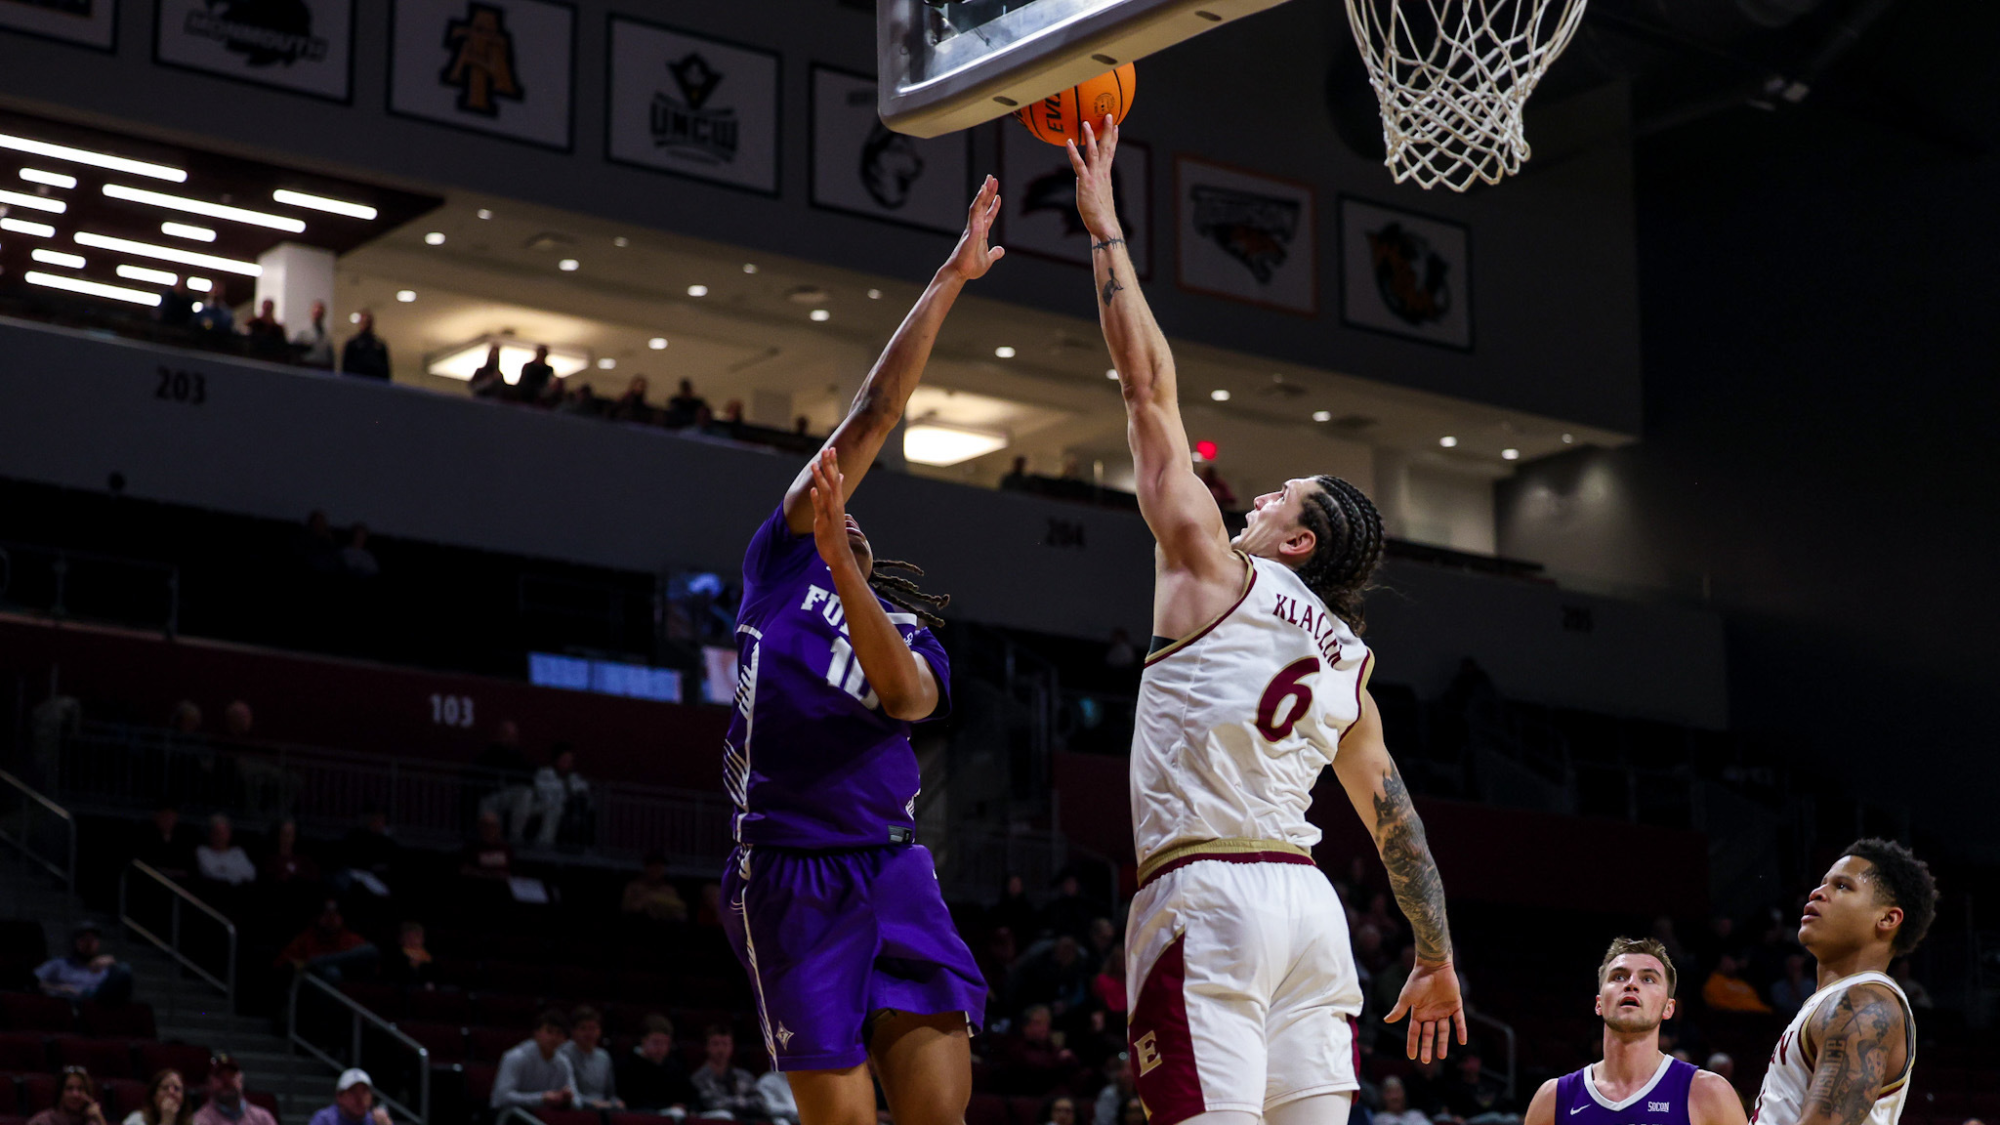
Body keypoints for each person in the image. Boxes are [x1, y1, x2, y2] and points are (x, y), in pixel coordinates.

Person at [1068, 115, 1465, 1125]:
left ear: (1298, 542)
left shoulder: (1212, 569)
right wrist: (1434, 953)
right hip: (1309, 912)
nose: (1254, 499)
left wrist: (1104, 229)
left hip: (1208, 899)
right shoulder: (1351, 665)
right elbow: (1397, 823)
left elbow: (1145, 390)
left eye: (1278, 498)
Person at [717, 177, 1004, 1125]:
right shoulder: (777, 567)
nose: (847, 518)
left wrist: (848, 570)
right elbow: (877, 409)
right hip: (786, 869)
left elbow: (907, 700)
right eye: (837, 522)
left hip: (892, 867)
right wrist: (951, 277)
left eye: (855, 533)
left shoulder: (911, 633)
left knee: (937, 1115)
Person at [1749, 839, 1936, 1125]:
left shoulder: (1865, 1003)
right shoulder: (1836, 1001)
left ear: (1887, 918)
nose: (1817, 893)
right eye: (1822, 883)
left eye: (1842, 886)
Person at [1522, 938, 1744, 1125]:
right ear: (1599, 1003)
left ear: (1668, 1008)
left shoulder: (1709, 1093)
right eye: (1619, 976)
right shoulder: (1553, 1098)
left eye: (1648, 979)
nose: (1631, 984)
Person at [492, 1011, 580, 1111]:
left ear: (564, 1038)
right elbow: (501, 1098)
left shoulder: (563, 1062)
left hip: (543, 1115)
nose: (554, 1038)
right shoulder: (516, 1057)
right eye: (549, 1031)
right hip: (511, 1114)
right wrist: (541, 1098)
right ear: (536, 1033)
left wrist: (568, 1099)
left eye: (559, 1033)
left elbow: (577, 1101)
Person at [276, 900, 379, 983]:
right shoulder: (306, 939)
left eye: (334, 914)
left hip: (350, 980)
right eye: (327, 914)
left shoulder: (350, 938)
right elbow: (283, 961)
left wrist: (318, 961)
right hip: (322, 985)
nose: (331, 919)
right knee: (332, 972)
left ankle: (318, 961)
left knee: (370, 949)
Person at [36, 924, 134, 1006]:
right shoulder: (59, 964)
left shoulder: (104, 968)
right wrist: (60, 989)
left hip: (97, 1006)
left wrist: (113, 964)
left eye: (93, 940)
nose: (89, 944)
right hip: (67, 1004)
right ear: (75, 942)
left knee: (124, 969)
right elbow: (34, 982)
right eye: (84, 939)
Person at [619, 1014, 699, 1113]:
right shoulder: (628, 1065)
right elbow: (632, 1101)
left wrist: (689, 1108)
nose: (661, 1048)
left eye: (666, 1043)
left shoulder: (674, 1066)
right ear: (643, 1040)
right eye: (656, 1042)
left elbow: (690, 1096)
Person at [522, 742, 590, 846]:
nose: (567, 764)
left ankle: (546, 843)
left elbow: (583, 788)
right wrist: (564, 787)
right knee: (553, 808)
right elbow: (541, 791)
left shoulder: (574, 778)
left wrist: (571, 789)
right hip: (539, 806)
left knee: (557, 809)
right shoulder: (545, 773)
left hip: (560, 809)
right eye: (564, 760)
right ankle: (543, 844)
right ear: (556, 760)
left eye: (570, 761)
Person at [691, 1025, 763, 1119]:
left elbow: (760, 1103)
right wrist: (742, 1102)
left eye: (725, 1044)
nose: (721, 1049)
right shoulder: (699, 1078)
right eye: (715, 1044)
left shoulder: (744, 1076)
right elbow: (712, 1104)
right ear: (707, 1047)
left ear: (732, 1047)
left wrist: (733, 1103)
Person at [559, 1006, 623, 1109]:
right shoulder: (564, 1054)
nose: (589, 1033)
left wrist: (616, 1102)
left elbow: (610, 1093)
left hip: (603, 1109)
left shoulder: (604, 1057)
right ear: (573, 1031)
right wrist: (592, 1103)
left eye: (593, 1028)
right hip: (575, 1109)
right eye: (583, 1028)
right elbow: (565, 1092)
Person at [191, 1055, 278, 1125]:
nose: (226, 1081)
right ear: (209, 1083)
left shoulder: (262, 1118)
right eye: (220, 1077)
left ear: (241, 1080)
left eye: (231, 1076)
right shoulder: (199, 1121)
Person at [622, 853, 689, 923]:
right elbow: (626, 909)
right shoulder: (634, 887)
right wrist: (644, 901)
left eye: (660, 867)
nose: (657, 869)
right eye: (654, 866)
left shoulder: (669, 890)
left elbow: (680, 913)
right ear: (646, 867)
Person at [309, 1070, 392, 1125]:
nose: (359, 1097)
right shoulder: (325, 1120)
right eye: (353, 1092)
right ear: (339, 1097)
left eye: (364, 1092)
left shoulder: (376, 1121)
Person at [195, 814, 257, 886]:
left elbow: (251, 874)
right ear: (210, 834)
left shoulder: (238, 852)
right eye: (217, 832)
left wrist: (223, 869)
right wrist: (236, 872)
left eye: (224, 832)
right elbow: (211, 873)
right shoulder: (203, 851)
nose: (221, 836)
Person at [31, 1068, 109, 1125]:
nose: (75, 1095)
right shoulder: (42, 1121)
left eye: (80, 1089)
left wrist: (99, 1117)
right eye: (69, 1088)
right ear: (60, 1093)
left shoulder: (91, 1122)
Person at [1702, 952, 1771, 1013]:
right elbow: (1718, 1004)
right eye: (1726, 961)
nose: (1730, 964)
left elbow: (1756, 1002)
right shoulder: (1714, 982)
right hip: (1739, 1017)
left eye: (1732, 960)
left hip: (1759, 1014)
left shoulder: (1743, 983)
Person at [260, 818, 322, 886]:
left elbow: (315, 877)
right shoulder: (269, 860)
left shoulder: (304, 859)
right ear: (278, 835)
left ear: (295, 837)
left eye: (290, 834)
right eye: (284, 833)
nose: (287, 838)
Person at [123, 1069, 190, 1125]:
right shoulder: (137, 1119)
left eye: (177, 1088)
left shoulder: (191, 1122)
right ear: (154, 1096)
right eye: (165, 1088)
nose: (171, 1092)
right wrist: (166, 1120)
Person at [461, 811, 513, 880]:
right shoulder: (471, 849)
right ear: (480, 828)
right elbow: (465, 870)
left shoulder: (506, 849)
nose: (489, 830)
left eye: (492, 826)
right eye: (486, 826)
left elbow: (512, 872)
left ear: (498, 829)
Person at [340, 310, 390, 380]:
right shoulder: (352, 344)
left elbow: (385, 370)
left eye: (368, 322)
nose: (366, 324)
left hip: (374, 382)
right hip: (356, 381)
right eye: (364, 322)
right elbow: (346, 368)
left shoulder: (379, 346)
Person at [386, 921, 433, 989]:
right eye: (408, 936)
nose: (413, 939)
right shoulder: (397, 956)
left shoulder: (427, 955)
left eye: (418, 936)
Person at [294, 300, 335, 367]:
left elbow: (330, 355)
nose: (318, 311)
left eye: (320, 310)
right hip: (306, 366)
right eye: (316, 310)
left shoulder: (327, 335)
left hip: (322, 367)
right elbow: (295, 351)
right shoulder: (302, 331)